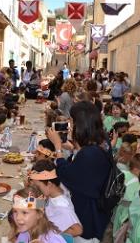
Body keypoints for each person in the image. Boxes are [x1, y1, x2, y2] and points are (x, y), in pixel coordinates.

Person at [47, 101, 112, 242]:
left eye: (72, 120)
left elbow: (67, 175)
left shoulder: (90, 154)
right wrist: (73, 148)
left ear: (81, 123)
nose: (70, 125)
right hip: (96, 206)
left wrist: (58, 147)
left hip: (88, 216)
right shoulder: (101, 140)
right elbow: (82, 166)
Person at [29, 160, 83, 237]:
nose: (36, 189)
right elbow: (46, 204)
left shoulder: (62, 206)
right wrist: (30, 204)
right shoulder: (54, 191)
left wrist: (51, 230)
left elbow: (78, 231)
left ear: (49, 184)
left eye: (38, 187)